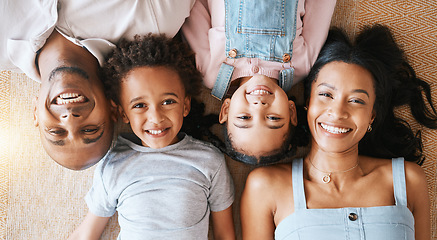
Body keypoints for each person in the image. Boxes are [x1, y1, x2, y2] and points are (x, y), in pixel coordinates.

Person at [240, 25, 434, 240]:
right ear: (308, 102)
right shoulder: (265, 186)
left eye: (356, 100)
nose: (338, 112)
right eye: (326, 94)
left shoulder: (407, 180)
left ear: (372, 115)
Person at [68, 34, 235, 240]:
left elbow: (225, 234)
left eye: (168, 102)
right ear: (122, 113)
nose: (156, 118)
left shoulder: (209, 161)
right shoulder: (114, 164)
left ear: (185, 105)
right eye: (139, 105)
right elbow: (86, 233)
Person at [1, 0, 196, 170]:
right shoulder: (154, 20)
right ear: (114, 108)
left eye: (56, 131)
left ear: (35, 111)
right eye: (90, 129)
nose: (70, 119)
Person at [182, 0, 337, 164]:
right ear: (291, 111)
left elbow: (193, 6)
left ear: (226, 110)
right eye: (273, 118)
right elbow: (321, 5)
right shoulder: (302, 65)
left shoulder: (210, 72)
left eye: (244, 117)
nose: (259, 106)